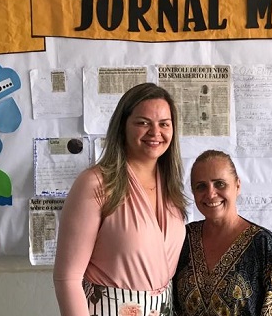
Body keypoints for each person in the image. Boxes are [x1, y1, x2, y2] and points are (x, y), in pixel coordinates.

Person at [54, 83, 187, 316]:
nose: (155, 132)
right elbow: (68, 278)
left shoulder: (171, 187)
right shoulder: (95, 184)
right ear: (122, 126)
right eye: (143, 122)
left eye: (164, 124)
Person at [173, 150, 272, 316]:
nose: (211, 194)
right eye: (201, 186)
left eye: (219, 184)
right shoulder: (184, 237)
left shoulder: (262, 243)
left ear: (237, 185)